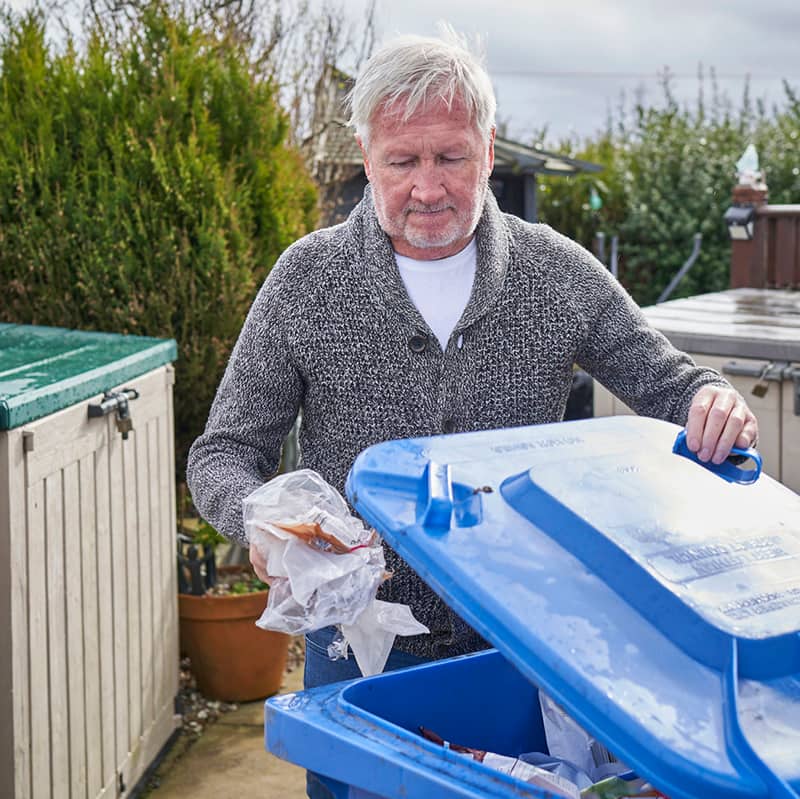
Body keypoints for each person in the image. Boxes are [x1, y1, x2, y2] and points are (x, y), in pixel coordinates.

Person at [187, 19, 757, 719]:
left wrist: (714, 399)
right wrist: (259, 523)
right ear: (366, 157)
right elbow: (223, 453)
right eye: (402, 162)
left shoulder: (556, 273)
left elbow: (678, 387)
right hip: (354, 655)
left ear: (488, 149)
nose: (427, 188)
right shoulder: (306, 279)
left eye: (450, 158)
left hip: (521, 652)